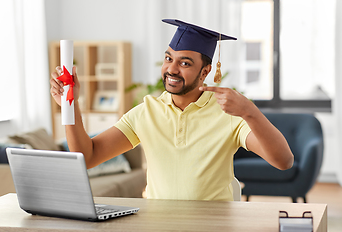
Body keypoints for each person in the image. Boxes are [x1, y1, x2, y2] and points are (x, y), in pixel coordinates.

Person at [50, 19, 294, 201]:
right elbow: (88, 156)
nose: (172, 69)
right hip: (160, 223)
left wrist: (250, 111)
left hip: (215, 223)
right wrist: (71, 104)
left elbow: (284, 161)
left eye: (185, 63)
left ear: (205, 72)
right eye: (168, 58)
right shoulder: (147, 111)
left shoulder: (228, 113)